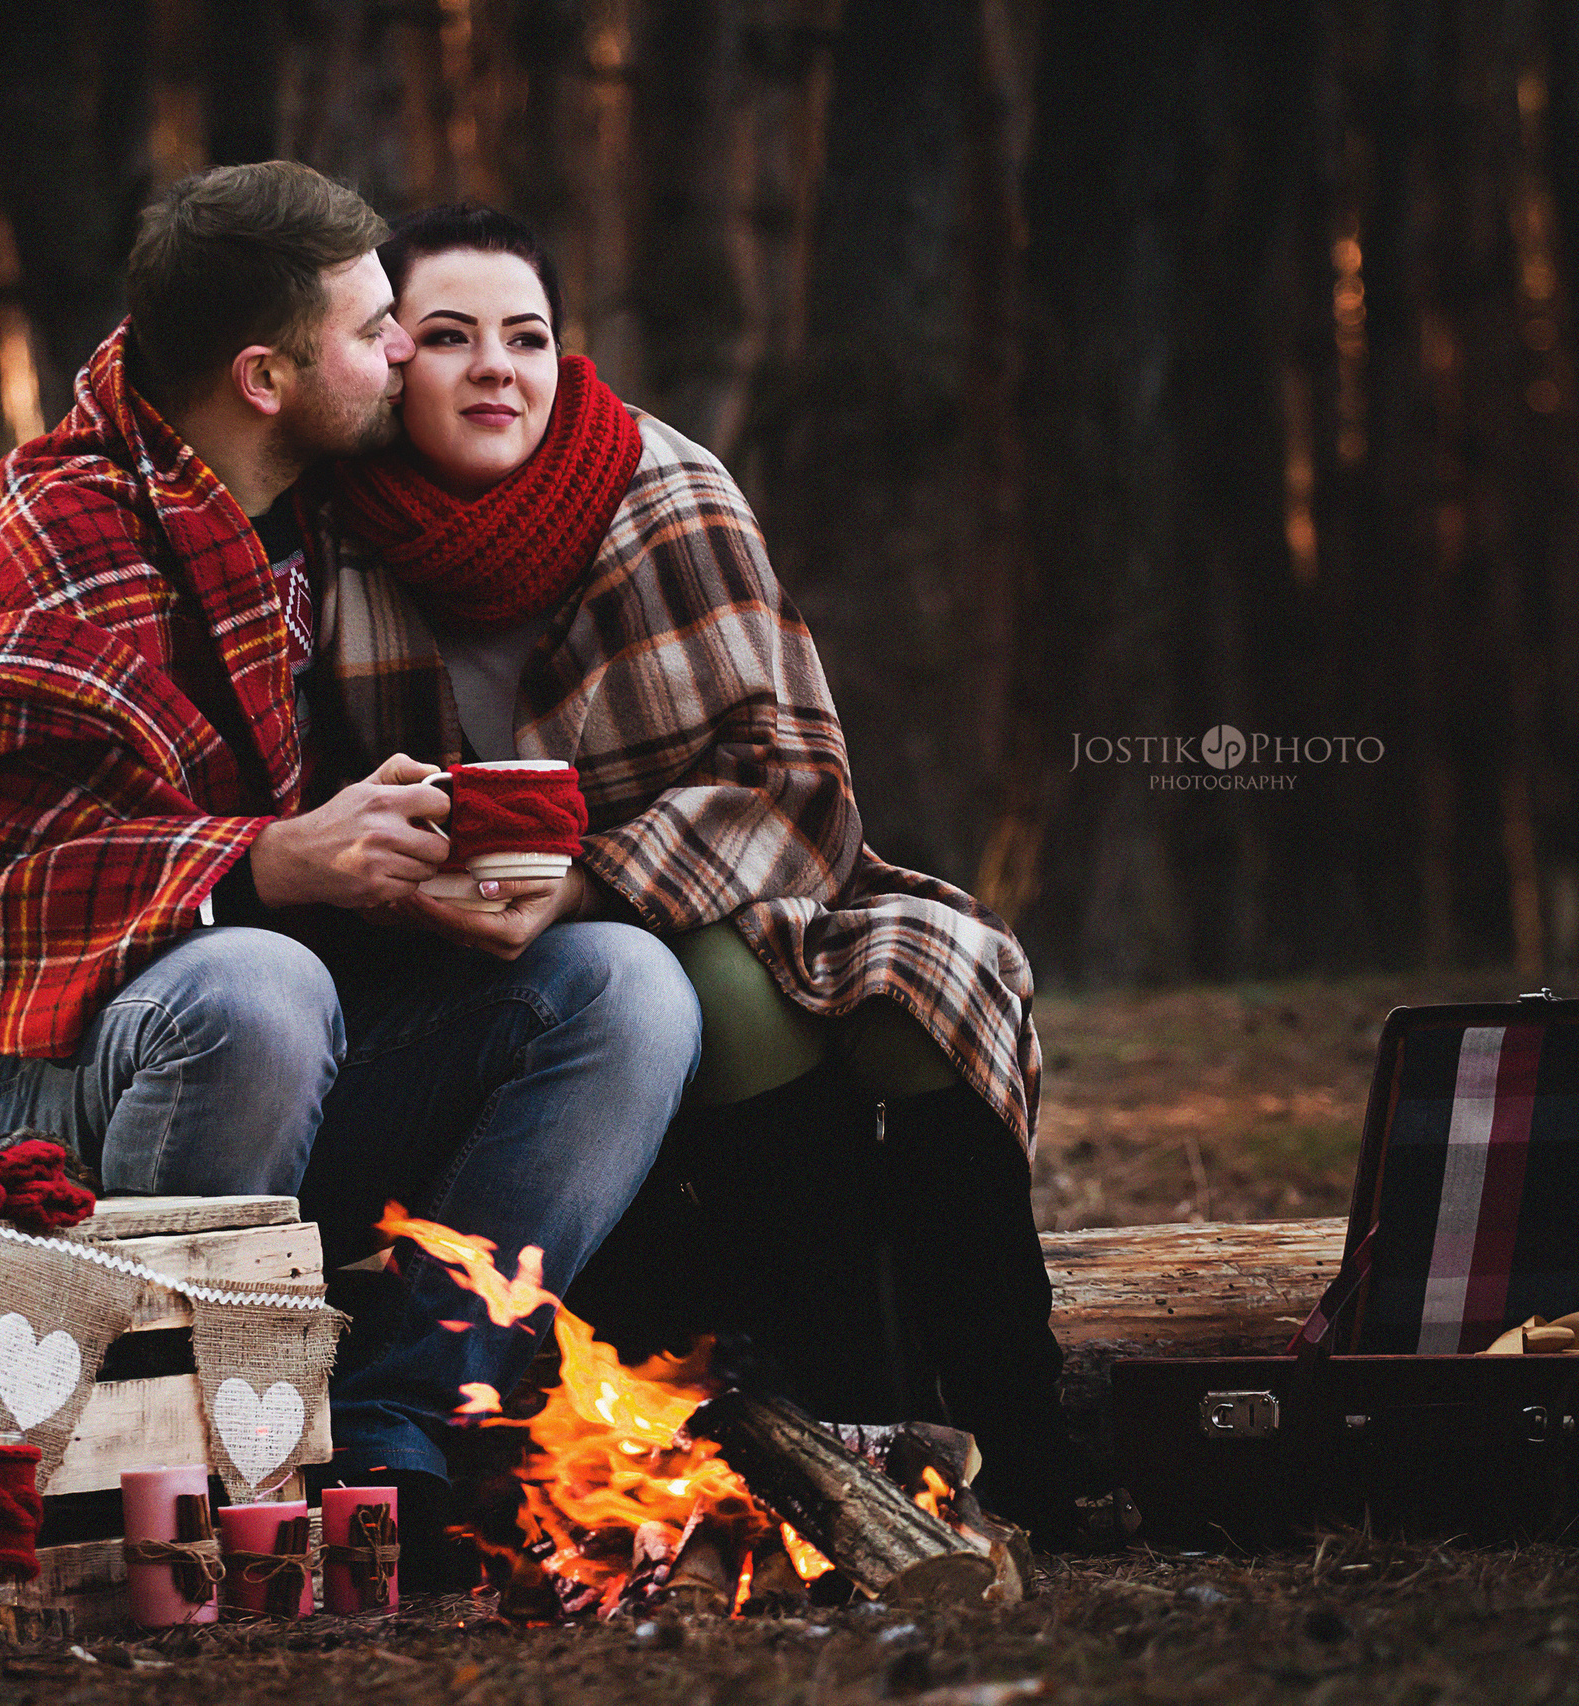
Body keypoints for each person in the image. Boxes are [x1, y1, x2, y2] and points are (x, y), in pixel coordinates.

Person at [0, 166, 701, 1532]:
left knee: (626, 989)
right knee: (258, 991)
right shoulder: (65, 522)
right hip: (53, 1091)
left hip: (285, 1066)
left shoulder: (337, 510)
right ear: (266, 378)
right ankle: (159, 1458)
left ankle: (404, 1415)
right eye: (376, 331)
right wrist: (272, 861)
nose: (410, 353)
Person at [308, 204, 1101, 1533]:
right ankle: (856, 1421)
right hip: (470, 957)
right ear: (390, 361)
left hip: (754, 886)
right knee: (695, 994)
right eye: (449, 338)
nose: (496, 366)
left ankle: (1023, 1438)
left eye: (528, 336)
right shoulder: (334, 541)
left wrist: (588, 878)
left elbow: (793, 778)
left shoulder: (662, 488)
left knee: (907, 988)